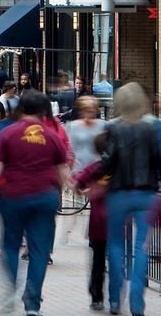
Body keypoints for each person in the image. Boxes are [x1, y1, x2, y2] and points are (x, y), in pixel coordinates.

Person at [0, 91, 70, 316]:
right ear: (43, 111)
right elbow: (63, 173)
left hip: (13, 196)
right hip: (44, 197)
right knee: (39, 251)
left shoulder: (8, 134)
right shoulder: (52, 137)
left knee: (10, 246)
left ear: (21, 108)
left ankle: (10, 291)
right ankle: (32, 303)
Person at [100, 82, 161, 316]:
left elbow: (107, 160)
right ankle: (137, 302)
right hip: (146, 193)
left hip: (118, 193)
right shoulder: (155, 126)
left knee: (115, 245)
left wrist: (92, 180)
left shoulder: (112, 127)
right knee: (141, 247)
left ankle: (115, 299)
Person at [72, 133, 110, 312]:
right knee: (119, 258)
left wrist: (83, 191)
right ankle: (116, 296)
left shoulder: (95, 167)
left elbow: (77, 183)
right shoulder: (119, 169)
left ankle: (97, 296)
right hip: (118, 222)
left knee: (98, 261)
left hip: (97, 223)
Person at [67, 96, 106, 173]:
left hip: (98, 170)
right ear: (81, 111)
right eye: (86, 111)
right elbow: (70, 151)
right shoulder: (72, 126)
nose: (89, 114)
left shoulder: (103, 125)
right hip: (79, 169)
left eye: (92, 111)